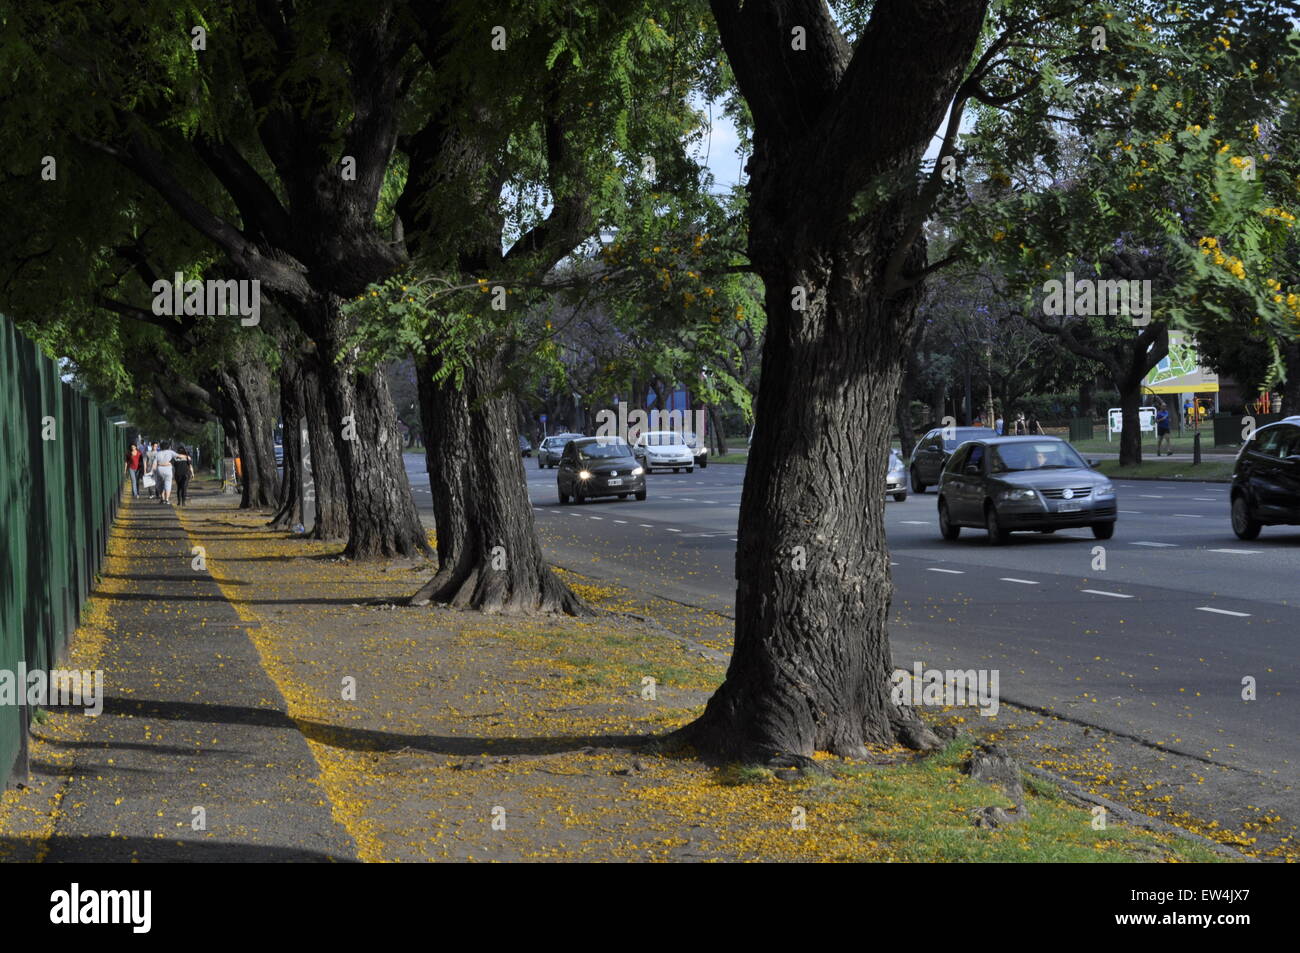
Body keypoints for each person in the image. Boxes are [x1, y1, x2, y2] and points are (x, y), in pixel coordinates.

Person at [152, 441, 191, 505]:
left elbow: (154, 464)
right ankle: (167, 499)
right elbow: (179, 456)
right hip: (168, 470)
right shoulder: (170, 452)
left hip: (159, 470)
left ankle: (162, 499)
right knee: (168, 484)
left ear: (161, 447)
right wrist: (186, 457)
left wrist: (153, 471)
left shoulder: (157, 454)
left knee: (160, 485)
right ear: (168, 447)